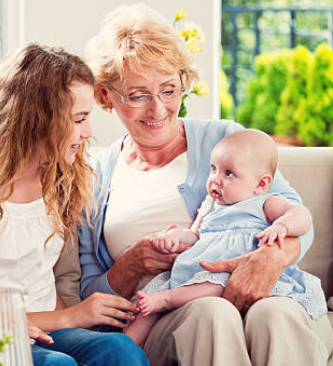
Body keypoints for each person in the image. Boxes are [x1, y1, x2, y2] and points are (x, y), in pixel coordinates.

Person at [78, 3, 333, 365]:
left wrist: (267, 260)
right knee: (212, 312)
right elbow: (86, 292)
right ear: (106, 96)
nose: (158, 109)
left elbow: (297, 223)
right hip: (165, 318)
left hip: (267, 299)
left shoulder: (226, 140)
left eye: (169, 90)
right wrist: (131, 266)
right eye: (138, 95)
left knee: (274, 315)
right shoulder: (93, 173)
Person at [0, 43, 149, 366]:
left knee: (121, 351)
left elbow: (37, 282)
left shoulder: (61, 180)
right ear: (38, 119)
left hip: (44, 326)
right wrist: (72, 317)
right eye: (79, 119)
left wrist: (73, 316)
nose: (89, 132)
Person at [123, 129, 327, 346]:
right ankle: (122, 348)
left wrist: (281, 227)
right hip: (195, 272)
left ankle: (166, 301)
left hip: (232, 275)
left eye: (228, 173)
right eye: (213, 169)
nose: (215, 180)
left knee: (214, 285)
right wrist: (173, 236)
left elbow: (301, 216)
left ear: (261, 184)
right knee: (147, 304)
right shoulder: (211, 205)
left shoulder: (263, 203)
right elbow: (195, 234)